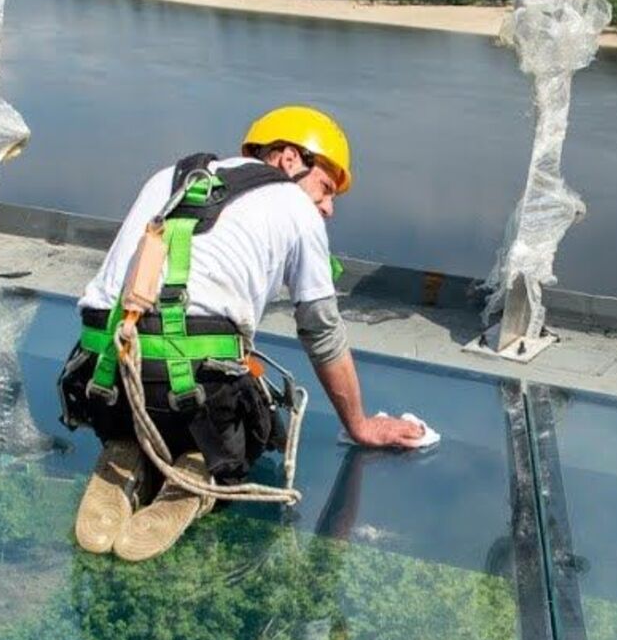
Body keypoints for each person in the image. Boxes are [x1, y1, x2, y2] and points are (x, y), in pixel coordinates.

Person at [58, 105, 426, 560]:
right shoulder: (295, 207)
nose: (328, 208)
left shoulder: (172, 175)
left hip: (99, 376)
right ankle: (199, 472)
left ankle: (125, 448)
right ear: (288, 159)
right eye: (326, 188)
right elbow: (322, 333)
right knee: (256, 422)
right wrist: (361, 425)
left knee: (161, 370)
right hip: (184, 386)